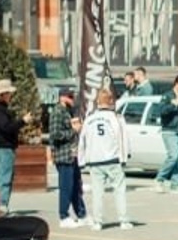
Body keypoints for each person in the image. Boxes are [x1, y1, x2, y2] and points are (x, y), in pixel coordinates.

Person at [78, 87, 132, 230]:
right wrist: (125, 156)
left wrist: (82, 160)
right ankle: (123, 220)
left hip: (95, 160)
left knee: (97, 192)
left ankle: (98, 221)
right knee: (119, 189)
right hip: (113, 158)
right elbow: (123, 138)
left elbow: (82, 139)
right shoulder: (116, 118)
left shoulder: (89, 119)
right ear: (111, 101)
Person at [47, 85, 88, 227]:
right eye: (70, 96)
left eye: (73, 96)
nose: (72, 99)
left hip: (72, 154)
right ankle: (63, 216)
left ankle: (81, 214)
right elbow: (55, 134)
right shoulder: (57, 112)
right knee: (66, 187)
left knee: (76, 185)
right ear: (62, 97)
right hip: (63, 155)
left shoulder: (68, 111)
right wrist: (73, 131)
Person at [0, 77, 25, 212]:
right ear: (3, 94)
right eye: (9, 93)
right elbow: (6, 127)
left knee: (3, 176)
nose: (11, 96)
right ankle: (1, 206)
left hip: (4, 147)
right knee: (3, 177)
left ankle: (1, 205)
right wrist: (22, 121)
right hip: (3, 148)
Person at [154, 73, 178, 192]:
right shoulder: (168, 96)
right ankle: (160, 179)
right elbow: (161, 111)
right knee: (173, 156)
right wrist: (174, 104)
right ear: (177, 84)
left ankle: (176, 184)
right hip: (170, 130)